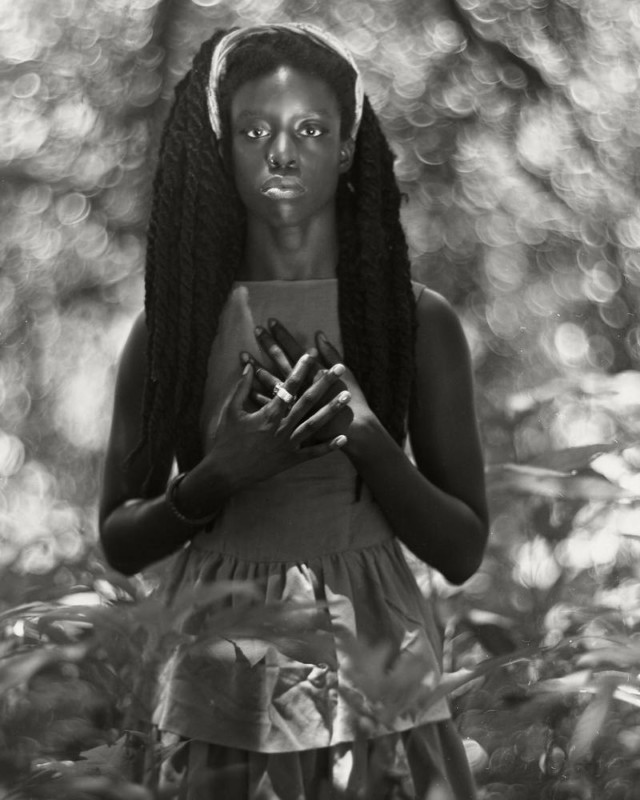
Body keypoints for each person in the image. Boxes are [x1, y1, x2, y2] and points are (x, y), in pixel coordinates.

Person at [99, 22, 489, 800]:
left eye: (311, 129)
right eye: (254, 130)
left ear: (347, 147)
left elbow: (462, 550)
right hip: (218, 669)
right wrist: (217, 477)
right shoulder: (171, 329)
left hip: (376, 663)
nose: (282, 152)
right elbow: (119, 540)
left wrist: (369, 442)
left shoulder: (418, 324)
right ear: (223, 148)